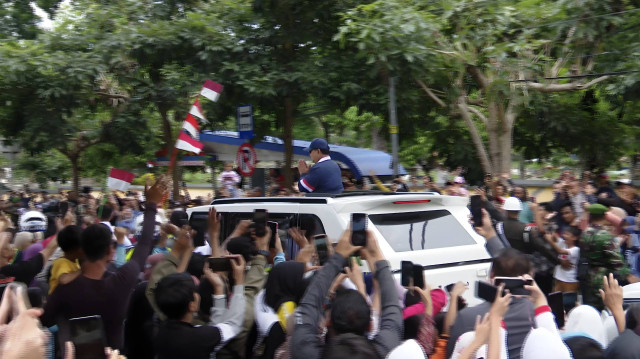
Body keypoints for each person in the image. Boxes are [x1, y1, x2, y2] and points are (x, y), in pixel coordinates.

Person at [42, 176, 169, 352]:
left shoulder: (64, 288)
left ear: (82, 250)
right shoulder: (121, 282)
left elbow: (45, 320)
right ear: (110, 253)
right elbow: (145, 243)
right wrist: (151, 204)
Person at [291, 227, 402, 359]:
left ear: (328, 322)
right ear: (370, 325)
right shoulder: (384, 351)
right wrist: (376, 255)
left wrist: (338, 257)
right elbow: (392, 308)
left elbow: (309, 305)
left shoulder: (307, 353)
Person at [447, 248, 535, 359]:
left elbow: (451, 353)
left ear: (492, 275)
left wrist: (453, 298)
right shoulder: (534, 310)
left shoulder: (467, 316)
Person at [154, 255, 246, 359]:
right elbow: (233, 325)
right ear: (191, 305)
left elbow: (213, 330)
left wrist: (218, 289)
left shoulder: (159, 331)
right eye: (195, 291)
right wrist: (239, 281)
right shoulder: (198, 337)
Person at [497, 196, 558, 295]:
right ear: (519, 211)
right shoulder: (526, 229)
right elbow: (541, 247)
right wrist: (557, 261)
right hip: (522, 267)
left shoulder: (498, 227)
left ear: (505, 211)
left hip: (503, 266)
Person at [579, 203, 631, 310]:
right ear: (604, 216)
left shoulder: (585, 234)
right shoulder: (604, 236)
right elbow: (617, 262)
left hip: (589, 276)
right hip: (603, 280)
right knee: (606, 310)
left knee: (592, 310)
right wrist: (629, 276)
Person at [48, 225, 82, 294]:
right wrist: (82, 271)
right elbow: (63, 280)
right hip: (57, 302)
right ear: (75, 248)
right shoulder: (61, 262)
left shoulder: (75, 261)